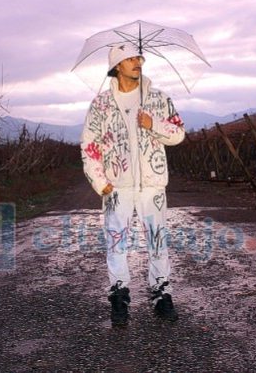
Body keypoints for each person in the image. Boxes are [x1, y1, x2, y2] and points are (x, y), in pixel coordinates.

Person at [80, 42, 185, 326]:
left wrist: (153, 124)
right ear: (117, 67)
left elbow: (178, 134)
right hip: (117, 188)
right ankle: (119, 298)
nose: (139, 61)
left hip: (152, 186)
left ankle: (162, 295)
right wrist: (101, 183)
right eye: (130, 59)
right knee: (116, 244)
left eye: (139, 57)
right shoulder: (101, 104)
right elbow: (89, 146)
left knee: (158, 241)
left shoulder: (158, 99)